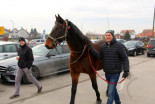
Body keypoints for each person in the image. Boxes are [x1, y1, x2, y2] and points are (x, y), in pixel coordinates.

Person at [88, 30, 129, 104]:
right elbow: (99, 57)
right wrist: (91, 49)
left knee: (110, 93)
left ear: (113, 36)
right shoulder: (103, 47)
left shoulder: (119, 46)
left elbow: (125, 58)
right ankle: (118, 102)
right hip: (107, 73)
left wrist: (126, 70)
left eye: (109, 35)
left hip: (115, 73)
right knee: (113, 90)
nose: (107, 36)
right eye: (106, 35)